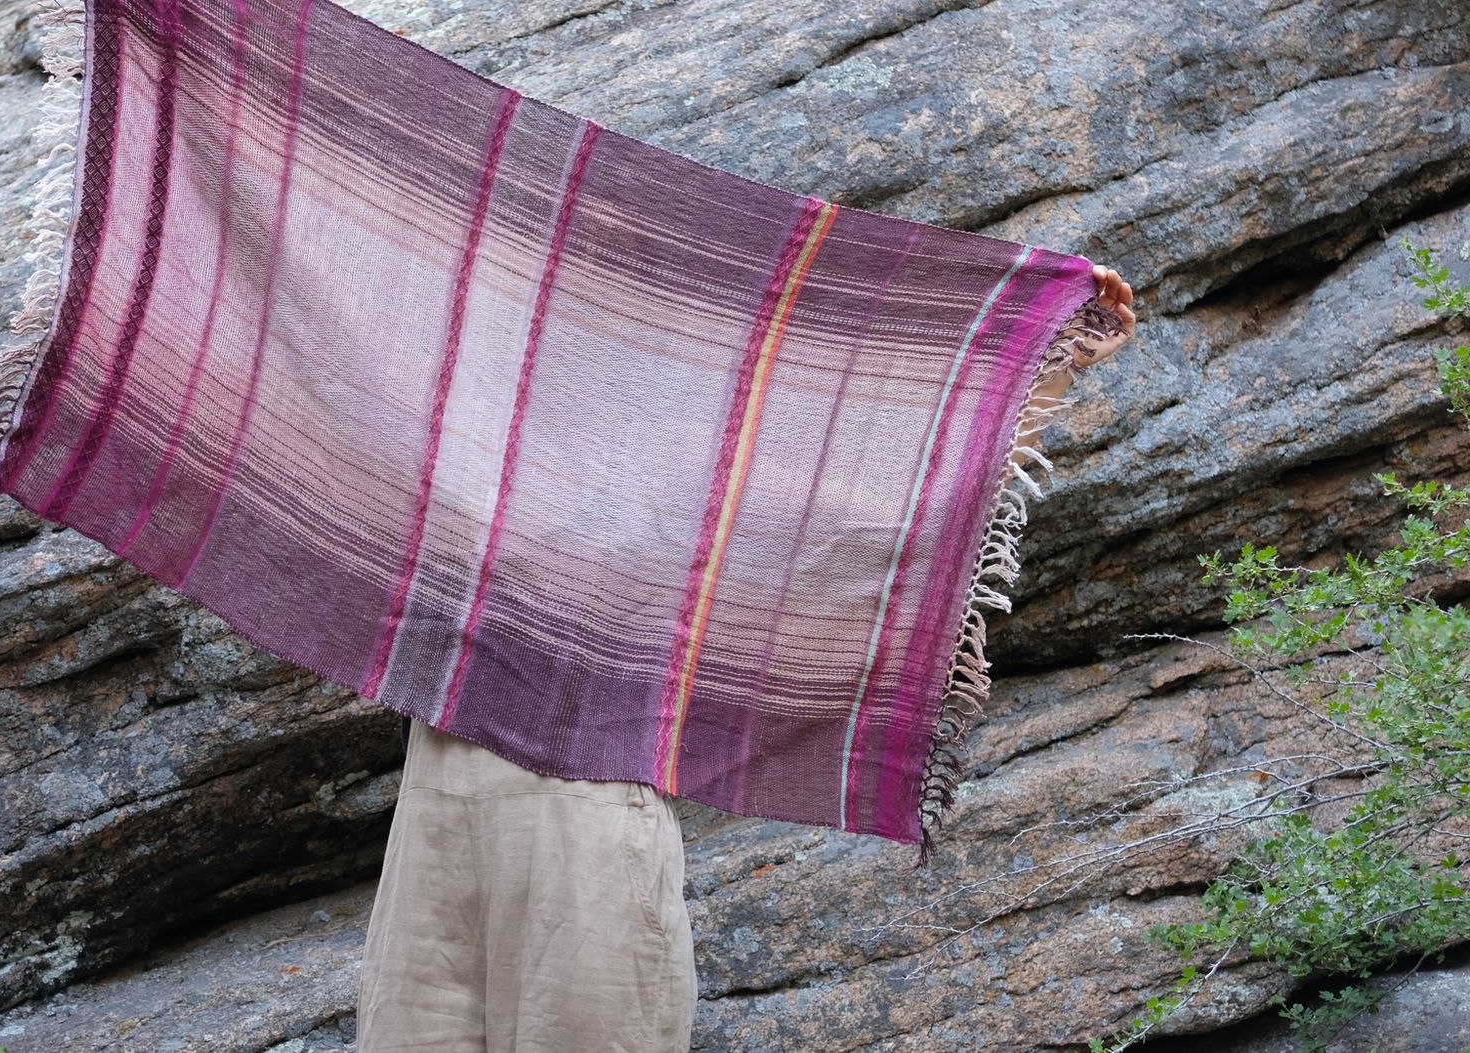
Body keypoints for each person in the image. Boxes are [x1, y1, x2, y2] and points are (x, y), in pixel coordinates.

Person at [354, 266, 1139, 1052]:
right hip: (438, 835)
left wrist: (1050, 356)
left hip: (584, 841)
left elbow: (910, 521)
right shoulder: (478, 460)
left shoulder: (696, 500)